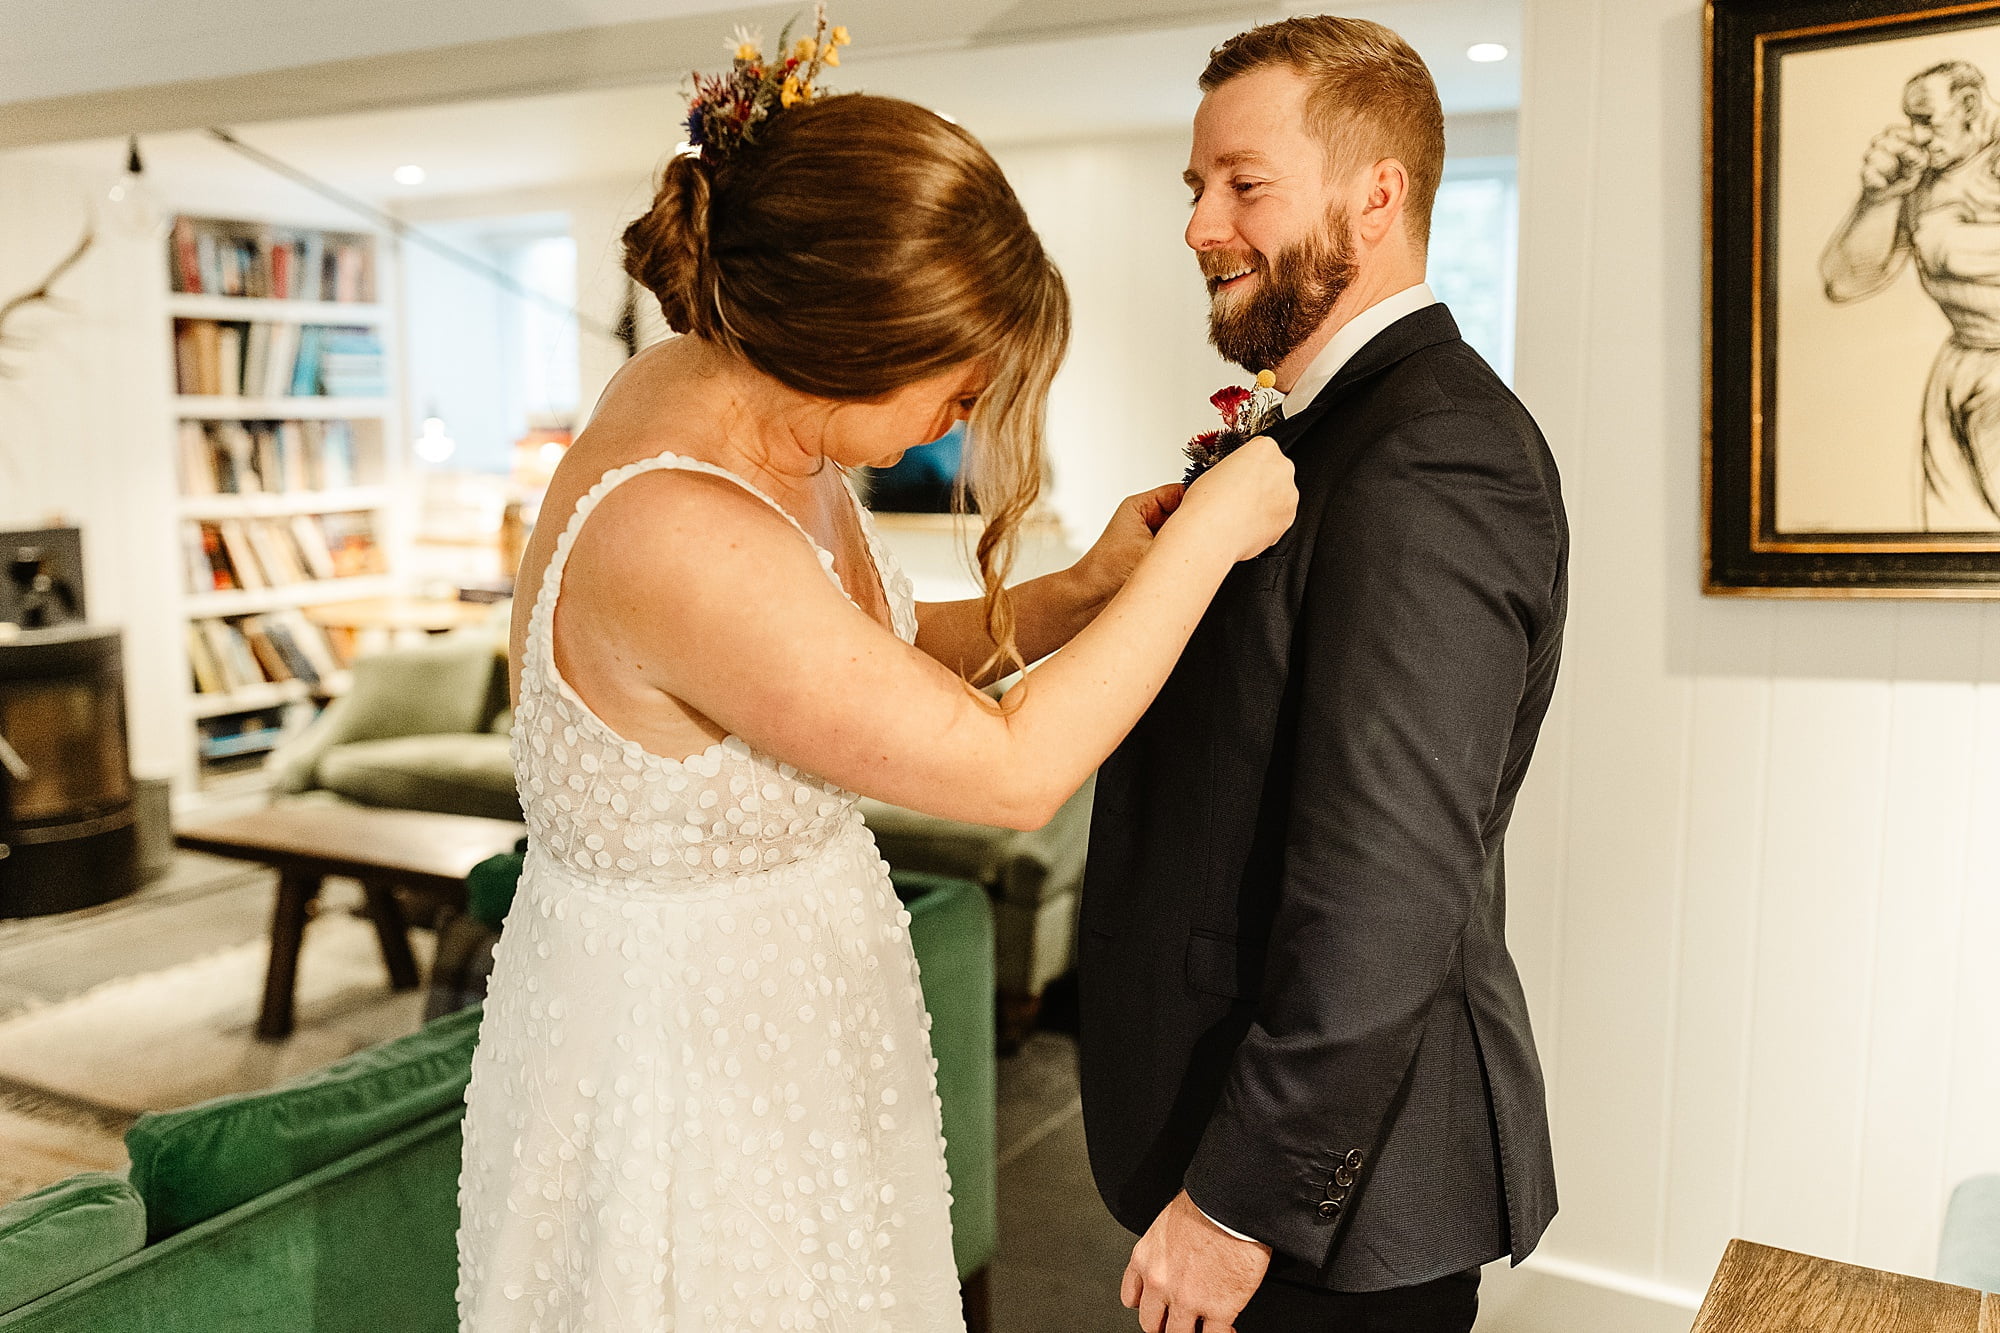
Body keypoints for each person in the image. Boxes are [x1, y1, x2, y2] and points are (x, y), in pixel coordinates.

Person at [452, 28, 1299, 1332]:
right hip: (688, 1083)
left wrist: (1082, 590)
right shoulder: (682, 529)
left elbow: (853, 661)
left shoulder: (749, 408)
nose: (958, 422)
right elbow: (1014, 773)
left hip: (791, 1017)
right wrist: (1206, 539)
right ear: (849, 339)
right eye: (953, 389)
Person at [1078, 17, 1568, 1333]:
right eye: (1196, 187)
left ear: (1376, 193)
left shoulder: (1436, 454)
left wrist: (1241, 1202)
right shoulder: (1333, 431)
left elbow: (1391, 880)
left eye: (1244, 183)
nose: (1199, 225)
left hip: (1325, 1209)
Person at [1822, 60, 2000, 531]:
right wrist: (1879, 198)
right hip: (1958, 369)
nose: (1916, 135)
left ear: (1968, 106)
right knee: (1952, 542)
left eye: (1927, 120)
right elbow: (1843, 282)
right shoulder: (1924, 174)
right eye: (1911, 120)